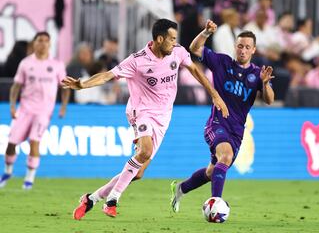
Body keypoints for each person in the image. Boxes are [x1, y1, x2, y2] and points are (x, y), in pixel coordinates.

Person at [61, 19, 229, 220]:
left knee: (138, 173)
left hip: (163, 117)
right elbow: (107, 75)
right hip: (141, 111)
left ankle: (91, 199)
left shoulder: (177, 52)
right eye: (172, 38)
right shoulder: (137, 60)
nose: (175, 42)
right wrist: (82, 85)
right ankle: (112, 200)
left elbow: (194, 70)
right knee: (145, 151)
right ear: (159, 39)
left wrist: (214, 94)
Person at [170, 20, 275, 213]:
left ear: (253, 50)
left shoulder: (257, 74)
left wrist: (265, 84)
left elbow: (269, 100)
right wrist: (206, 32)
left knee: (212, 171)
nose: (243, 50)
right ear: (235, 47)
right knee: (225, 157)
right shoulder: (222, 62)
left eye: (247, 47)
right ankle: (215, 205)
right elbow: (194, 48)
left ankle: (180, 188)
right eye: (240, 46)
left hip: (236, 131)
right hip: (216, 124)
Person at [0, 32, 70, 190]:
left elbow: (65, 87)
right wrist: (12, 106)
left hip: (44, 111)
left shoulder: (57, 64)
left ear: (50, 44)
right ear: (34, 43)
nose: (43, 43)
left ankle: (29, 179)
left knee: (34, 141)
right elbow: (16, 86)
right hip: (25, 109)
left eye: (46, 41)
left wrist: (63, 106)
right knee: (11, 143)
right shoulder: (25, 63)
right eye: (40, 40)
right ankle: (8, 171)